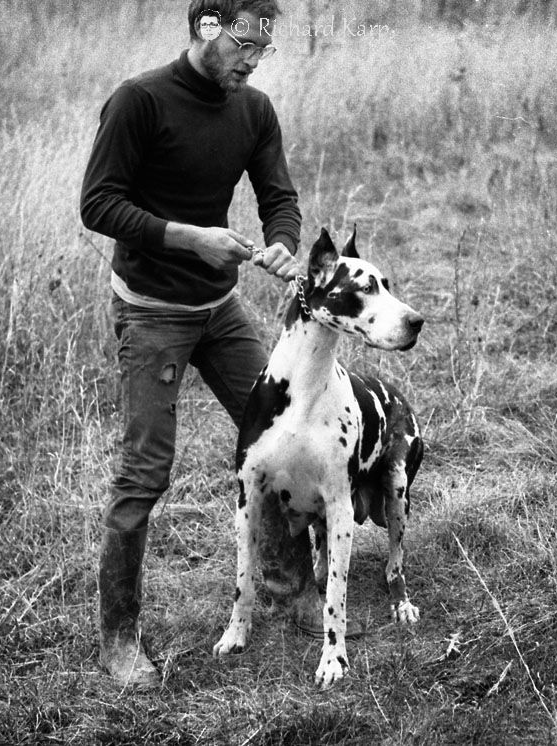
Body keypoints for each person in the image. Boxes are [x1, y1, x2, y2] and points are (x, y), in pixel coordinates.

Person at [80, 0, 324, 687]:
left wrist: (281, 242)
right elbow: (98, 203)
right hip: (152, 313)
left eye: (262, 50)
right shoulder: (139, 101)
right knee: (145, 474)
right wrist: (191, 235)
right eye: (241, 45)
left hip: (219, 309)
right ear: (205, 28)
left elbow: (280, 194)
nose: (250, 61)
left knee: (280, 430)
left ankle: (290, 589)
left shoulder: (253, 109)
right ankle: (120, 639)